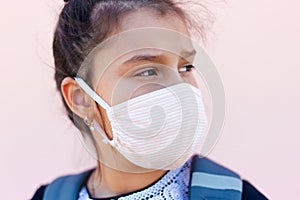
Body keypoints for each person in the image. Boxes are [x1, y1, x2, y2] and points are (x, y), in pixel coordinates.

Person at [32, 0, 268, 199]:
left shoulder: (233, 194)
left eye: (185, 68)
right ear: (81, 98)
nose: (179, 87)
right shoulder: (50, 196)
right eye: (147, 71)